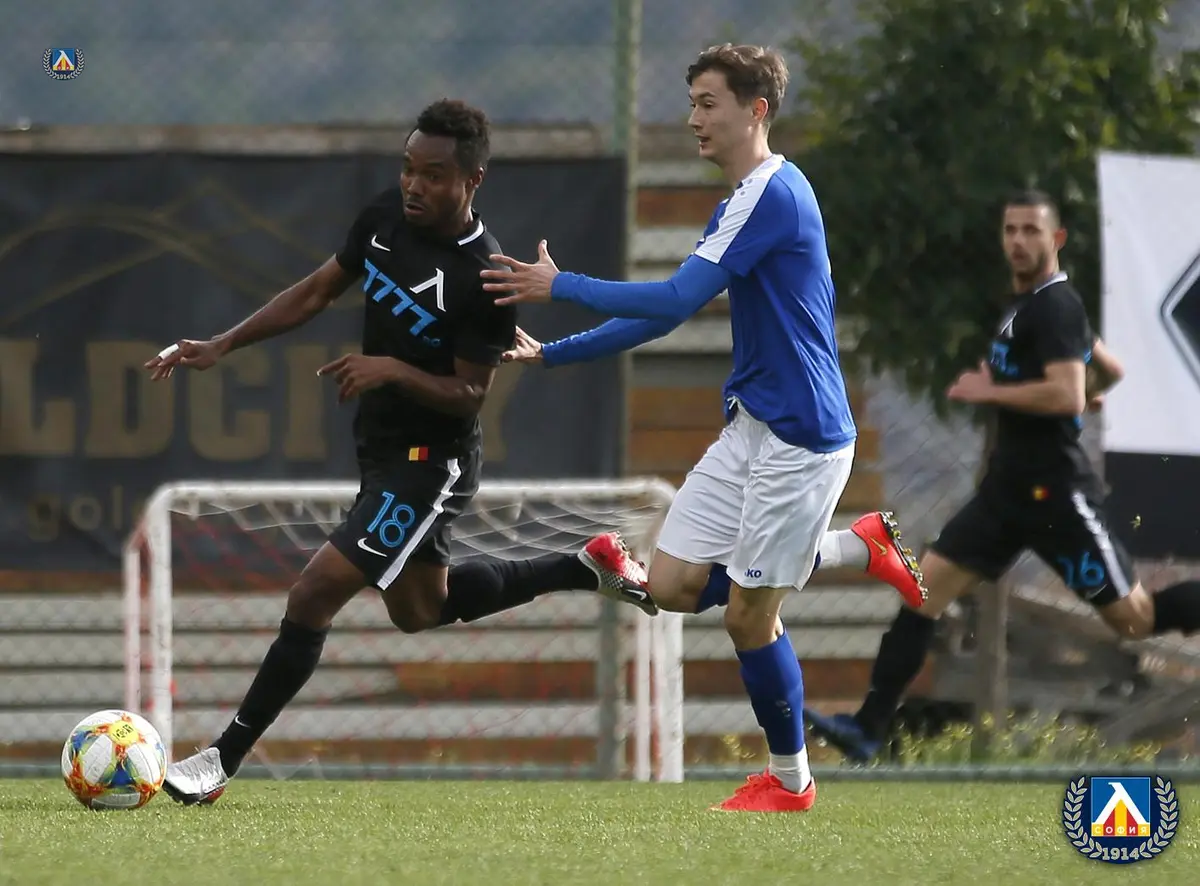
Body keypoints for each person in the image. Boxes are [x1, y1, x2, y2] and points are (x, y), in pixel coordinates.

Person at [144, 99, 654, 805]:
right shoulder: (384, 217)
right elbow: (317, 290)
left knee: (314, 591)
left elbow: (469, 394)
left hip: (431, 463)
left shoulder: (485, 277)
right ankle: (582, 565)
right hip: (381, 450)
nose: (414, 184)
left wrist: (391, 369)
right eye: (409, 168)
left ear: (473, 179)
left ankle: (220, 761)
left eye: (433, 174)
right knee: (417, 609)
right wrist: (222, 343)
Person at [480, 44, 924, 812]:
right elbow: (661, 318)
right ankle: (857, 546)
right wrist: (552, 353)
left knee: (751, 617)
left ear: (757, 110)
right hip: (752, 427)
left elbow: (672, 300)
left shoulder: (772, 194)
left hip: (802, 438)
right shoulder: (741, 202)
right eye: (691, 103)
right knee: (672, 586)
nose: (693, 119)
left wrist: (563, 285)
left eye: (708, 103)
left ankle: (792, 782)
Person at [803, 190, 1200, 764]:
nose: (1018, 241)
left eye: (1031, 231)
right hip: (1005, 494)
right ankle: (867, 728)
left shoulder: (1056, 306)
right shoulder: (1025, 306)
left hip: (1056, 497)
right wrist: (1085, 388)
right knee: (921, 592)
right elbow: (1107, 369)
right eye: (1011, 230)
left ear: (1056, 239)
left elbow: (1066, 394)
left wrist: (994, 391)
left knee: (1134, 620)